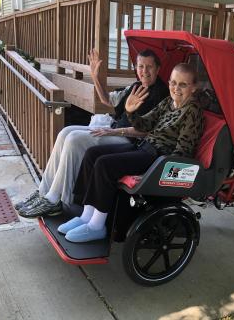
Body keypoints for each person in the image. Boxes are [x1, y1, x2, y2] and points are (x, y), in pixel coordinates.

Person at [58, 63, 203, 243]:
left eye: (183, 84)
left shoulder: (192, 111)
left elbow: (183, 151)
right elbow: (145, 125)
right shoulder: (168, 102)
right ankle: (86, 216)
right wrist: (130, 111)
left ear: (194, 87)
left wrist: (156, 173)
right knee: (92, 154)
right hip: (144, 146)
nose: (176, 88)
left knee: (105, 165)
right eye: (173, 83)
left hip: (158, 157)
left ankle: (96, 226)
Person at [16, 49, 169, 218]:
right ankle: (43, 191)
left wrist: (112, 131)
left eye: (149, 67)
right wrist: (95, 76)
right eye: (140, 66)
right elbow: (105, 99)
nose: (144, 71)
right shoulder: (135, 86)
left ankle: (56, 199)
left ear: (158, 68)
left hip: (129, 140)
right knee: (65, 132)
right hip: (113, 129)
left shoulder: (161, 94)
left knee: (75, 140)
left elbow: (147, 130)